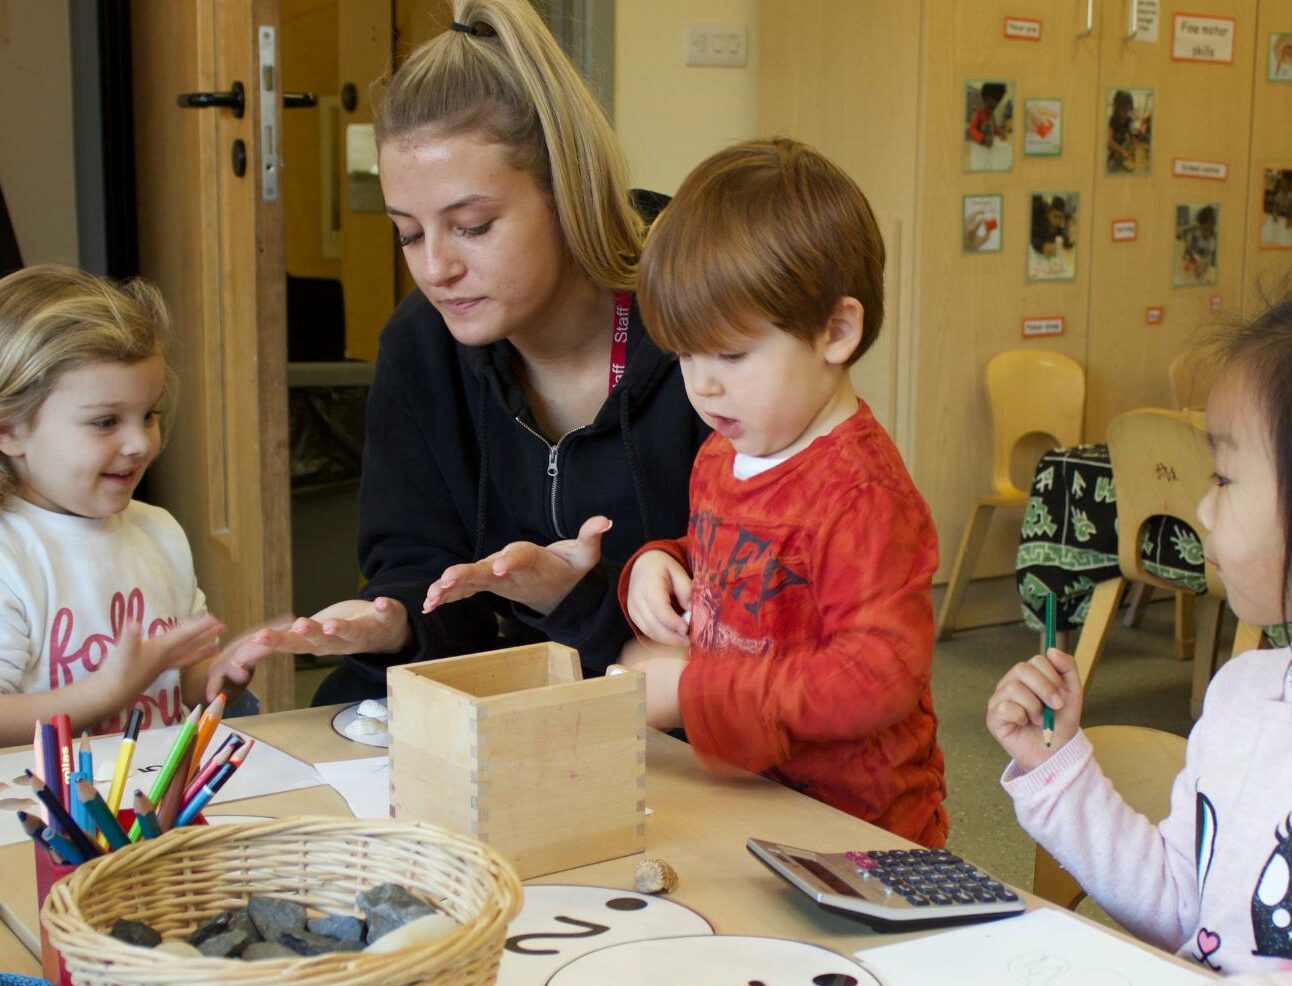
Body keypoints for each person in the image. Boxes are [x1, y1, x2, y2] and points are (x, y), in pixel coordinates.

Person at [234, 0, 707, 704]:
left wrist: (575, 599)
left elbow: (755, 617)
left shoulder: (704, 312)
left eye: (473, 226)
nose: (435, 269)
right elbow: (417, 565)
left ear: (565, 190)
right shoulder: (418, 347)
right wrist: (390, 619)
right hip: (507, 722)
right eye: (408, 233)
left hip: (688, 716)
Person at [986, 297, 1292, 986]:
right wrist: (1060, 770)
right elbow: (1181, 908)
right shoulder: (1244, 695)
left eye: (1224, 476)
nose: (1198, 504)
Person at [620, 138, 948, 847]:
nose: (702, 385)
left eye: (732, 356)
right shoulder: (725, 449)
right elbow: (740, 558)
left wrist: (692, 696)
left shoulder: (862, 497)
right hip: (750, 800)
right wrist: (658, 563)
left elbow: (877, 677)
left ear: (836, 331)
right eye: (685, 355)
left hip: (858, 829)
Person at [0, 265, 257, 740]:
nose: (140, 443)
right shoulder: (11, 554)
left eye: (149, 414)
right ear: (10, 429)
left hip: (152, 799)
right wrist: (111, 690)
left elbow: (185, 687)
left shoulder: (159, 531)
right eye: (105, 422)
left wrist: (228, 668)